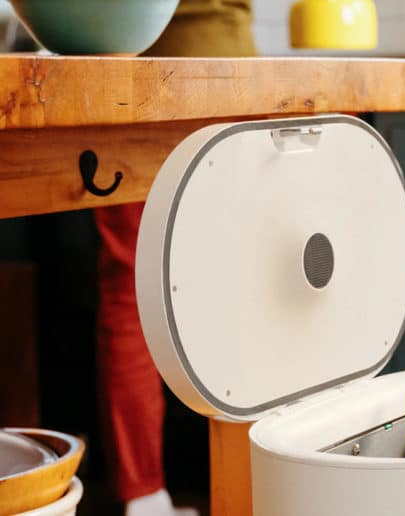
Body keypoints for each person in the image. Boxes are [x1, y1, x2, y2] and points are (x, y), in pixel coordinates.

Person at [94, 2, 256, 515]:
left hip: (123, 77)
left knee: (131, 290)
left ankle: (145, 498)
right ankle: (249, 488)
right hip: (227, 74)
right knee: (246, 285)